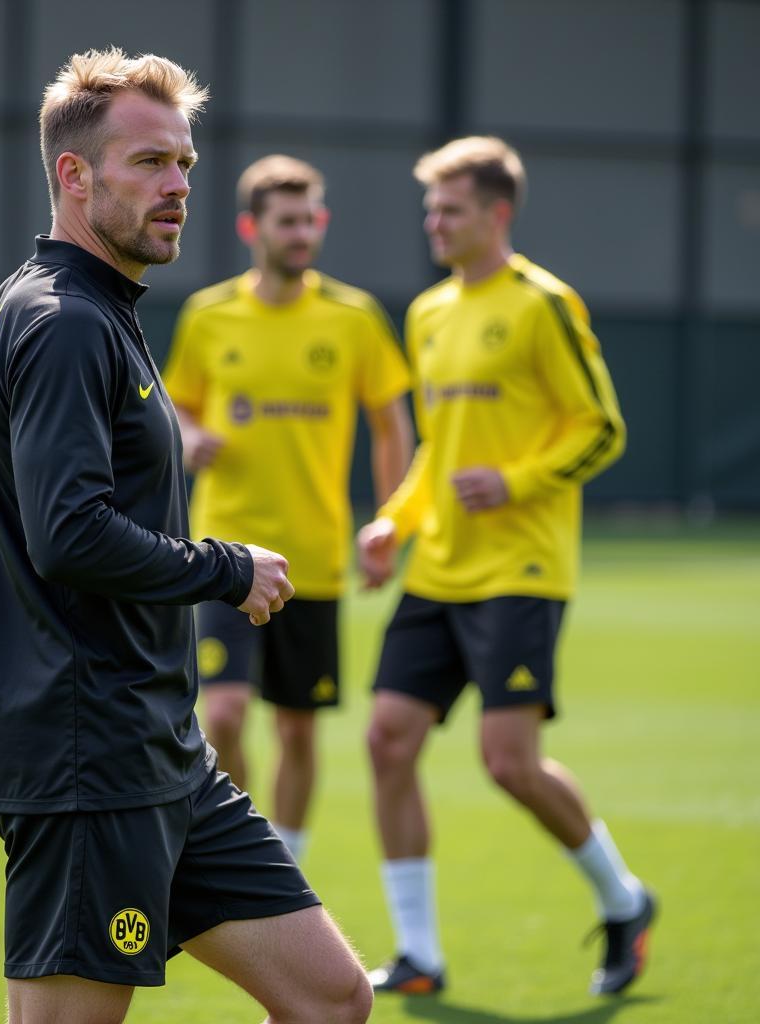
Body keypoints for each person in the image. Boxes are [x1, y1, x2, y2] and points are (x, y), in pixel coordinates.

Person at [0, 49, 372, 1024]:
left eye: (184, 162)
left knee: (331, 998)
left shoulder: (67, 306)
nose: (179, 185)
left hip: (160, 749)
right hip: (83, 758)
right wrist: (225, 568)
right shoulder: (60, 319)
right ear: (75, 175)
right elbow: (68, 534)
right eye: (149, 162)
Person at [357, 136, 655, 998]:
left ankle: (624, 898)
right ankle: (420, 956)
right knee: (386, 740)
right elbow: (437, 455)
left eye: (449, 209)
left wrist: (516, 480)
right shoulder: (428, 313)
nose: (434, 224)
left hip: (522, 567)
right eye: (430, 210)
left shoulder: (543, 304)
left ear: (497, 214)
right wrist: (393, 522)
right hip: (438, 569)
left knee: (508, 762)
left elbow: (601, 427)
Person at [163, 154, 413, 863]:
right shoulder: (209, 316)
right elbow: (175, 409)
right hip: (224, 556)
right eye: (287, 221)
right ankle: (239, 850)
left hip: (313, 555)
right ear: (252, 227)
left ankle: (285, 866)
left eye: (311, 219)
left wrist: (389, 517)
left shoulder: (353, 317)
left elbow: (392, 422)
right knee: (225, 712)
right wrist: (190, 435)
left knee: (300, 730)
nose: (303, 234)